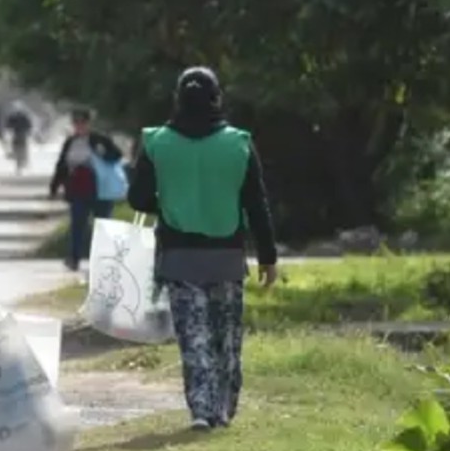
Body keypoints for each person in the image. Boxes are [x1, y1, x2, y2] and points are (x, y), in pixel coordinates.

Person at [127, 67, 279, 431]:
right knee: (225, 337)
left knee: (193, 338)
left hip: (179, 259)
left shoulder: (157, 142)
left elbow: (139, 198)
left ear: (178, 99)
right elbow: (257, 204)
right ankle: (223, 409)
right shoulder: (238, 143)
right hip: (226, 258)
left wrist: (171, 199)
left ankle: (200, 410)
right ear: (217, 98)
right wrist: (268, 256)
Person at [50, 108, 124, 272]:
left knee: (103, 226)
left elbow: (117, 156)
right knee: (77, 225)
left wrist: (102, 153)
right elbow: (62, 165)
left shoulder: (100, 140)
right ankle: (74, 258)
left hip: (101, 190)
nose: (79, 126)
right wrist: (54, 187)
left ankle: (104, 260)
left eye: (82, 122)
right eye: (76, 123)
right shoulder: (71, 142)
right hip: (78, 190)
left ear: (89, 123)